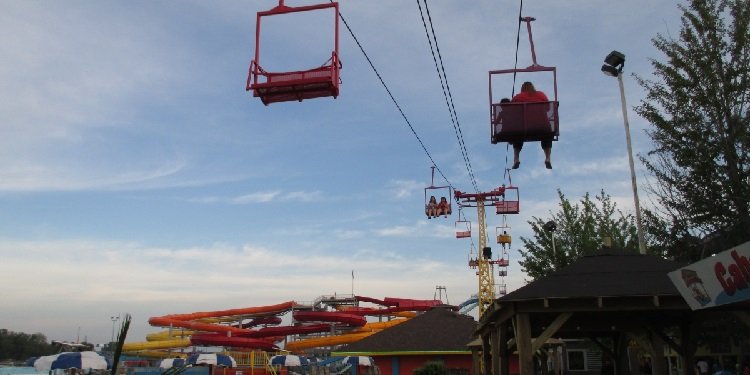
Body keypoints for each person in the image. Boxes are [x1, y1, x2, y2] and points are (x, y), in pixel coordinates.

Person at [510, 81, 553, 169]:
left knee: (517, 135)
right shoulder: (541, 94)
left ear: (522, 89)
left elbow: (511, 110)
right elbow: (548, 108)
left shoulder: (517, 97)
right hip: (542, 125)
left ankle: (516, 158)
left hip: (523, 126)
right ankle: (547, 158)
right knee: (547, 134)